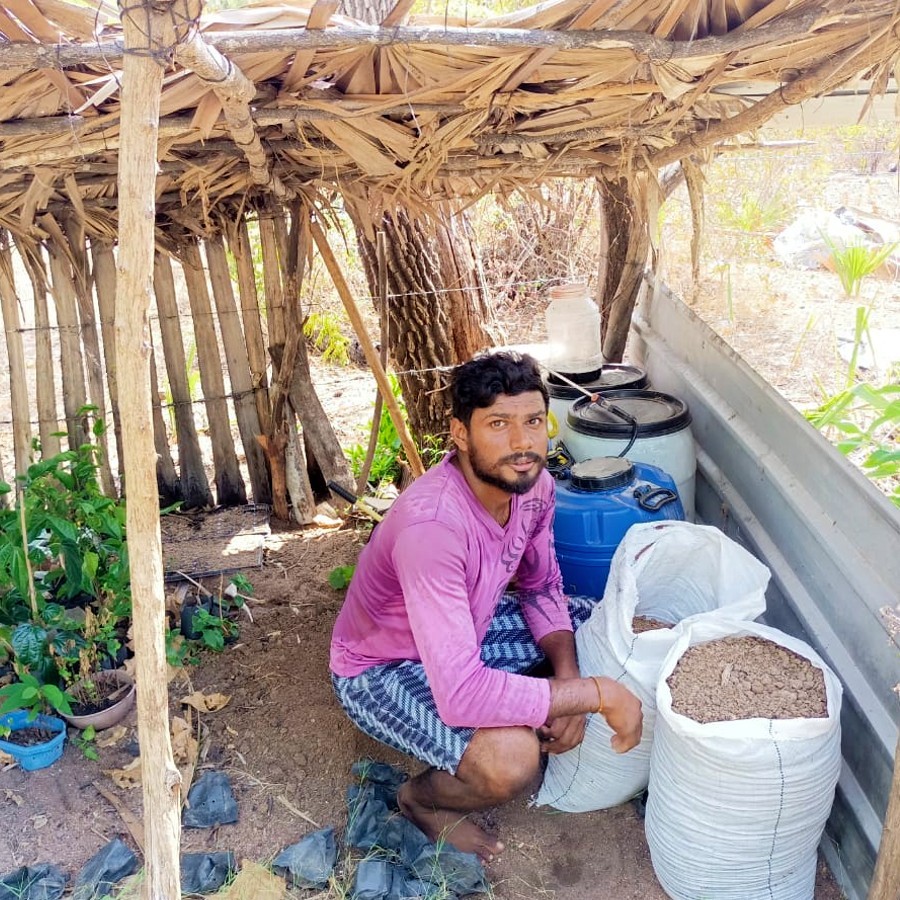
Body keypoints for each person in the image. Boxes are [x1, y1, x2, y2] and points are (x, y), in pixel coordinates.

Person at [330, 351, 642, 862]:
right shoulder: (432, 529)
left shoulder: (534, 486)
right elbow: (459, 693)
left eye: (533, 422)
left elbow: (541, 586)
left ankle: (539, 695)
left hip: (466, 629)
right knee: (510, 760)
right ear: (460, 433)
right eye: (498, 424)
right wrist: (594, 694)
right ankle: (420, 802)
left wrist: (567, 680)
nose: (522, 443)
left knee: (607, 621)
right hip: (382, 668)